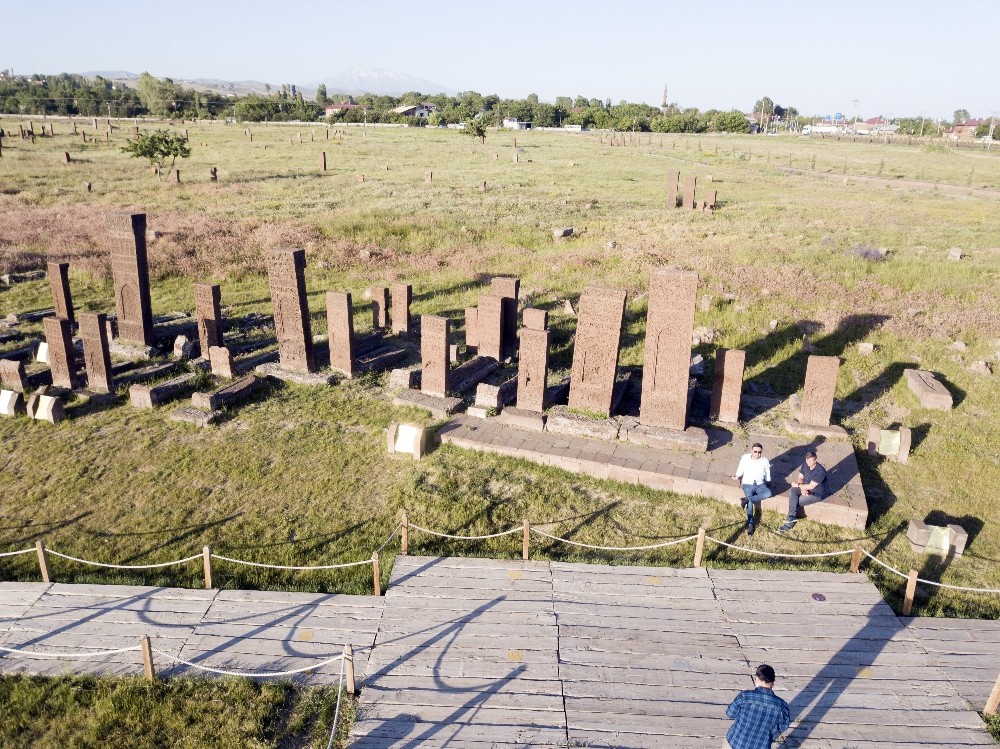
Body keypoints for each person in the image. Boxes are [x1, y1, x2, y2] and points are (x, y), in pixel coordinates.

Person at [725, 663, 790, 749]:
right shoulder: (782, 705)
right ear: (773, 682)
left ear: (757, 679)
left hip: (736, 742)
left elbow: (730, 714)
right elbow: (783, 726)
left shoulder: (745, 696)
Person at [777, 450, 827, 532]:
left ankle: (788, 524)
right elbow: (800, 477)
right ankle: (792, 517)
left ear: (815, 460)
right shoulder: (805, 465)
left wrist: (798, 485)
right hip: (805, 487)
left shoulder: (820, 471)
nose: (808, 462)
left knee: (796, 501)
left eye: (810, 460)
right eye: (807, 460)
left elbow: (811, 486)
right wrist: (802, 488)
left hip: (815, 494)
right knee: (793, 491)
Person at [732, 443, 771, 536]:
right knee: (750, 505)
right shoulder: (745, 458)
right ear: (751, 451)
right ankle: (751, 526)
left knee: (768, 493)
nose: (757, 454)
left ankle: (747, 499)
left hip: (760, 484)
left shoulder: (764, 460)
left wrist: (769, 481)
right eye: (755, 451)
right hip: (748, 483)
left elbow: (767, 472)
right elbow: (740, 467)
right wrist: (737, 476)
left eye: (759, 452)